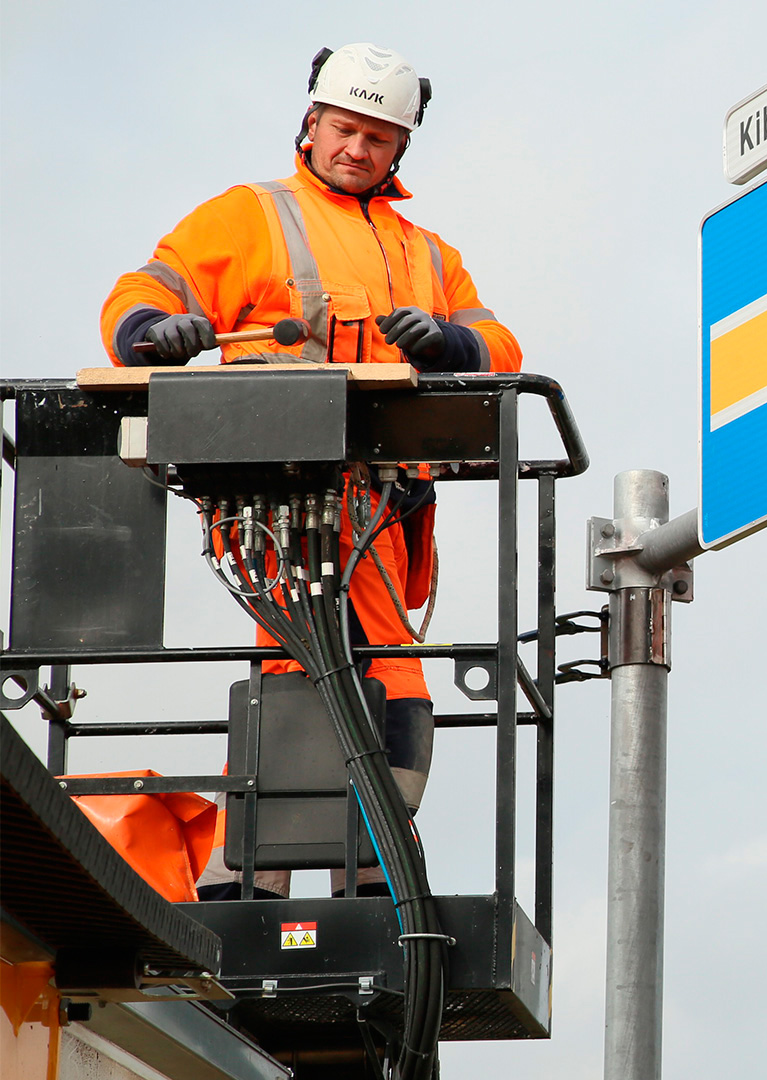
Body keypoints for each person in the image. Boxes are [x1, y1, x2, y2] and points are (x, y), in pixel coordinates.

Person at [98, 43, 522, 898]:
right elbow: (143, 296)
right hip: (274, 493)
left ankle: (287, 878)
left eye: (377, 137)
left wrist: (448, 345)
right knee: (328, 674)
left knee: (338, 676)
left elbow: (502, 350)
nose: (356, 149)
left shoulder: (428, 254)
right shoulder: (249, 216)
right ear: (311, 123)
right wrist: (157, 331)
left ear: (400, 149)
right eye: (343, 129)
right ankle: (307, 878)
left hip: (381, 505)